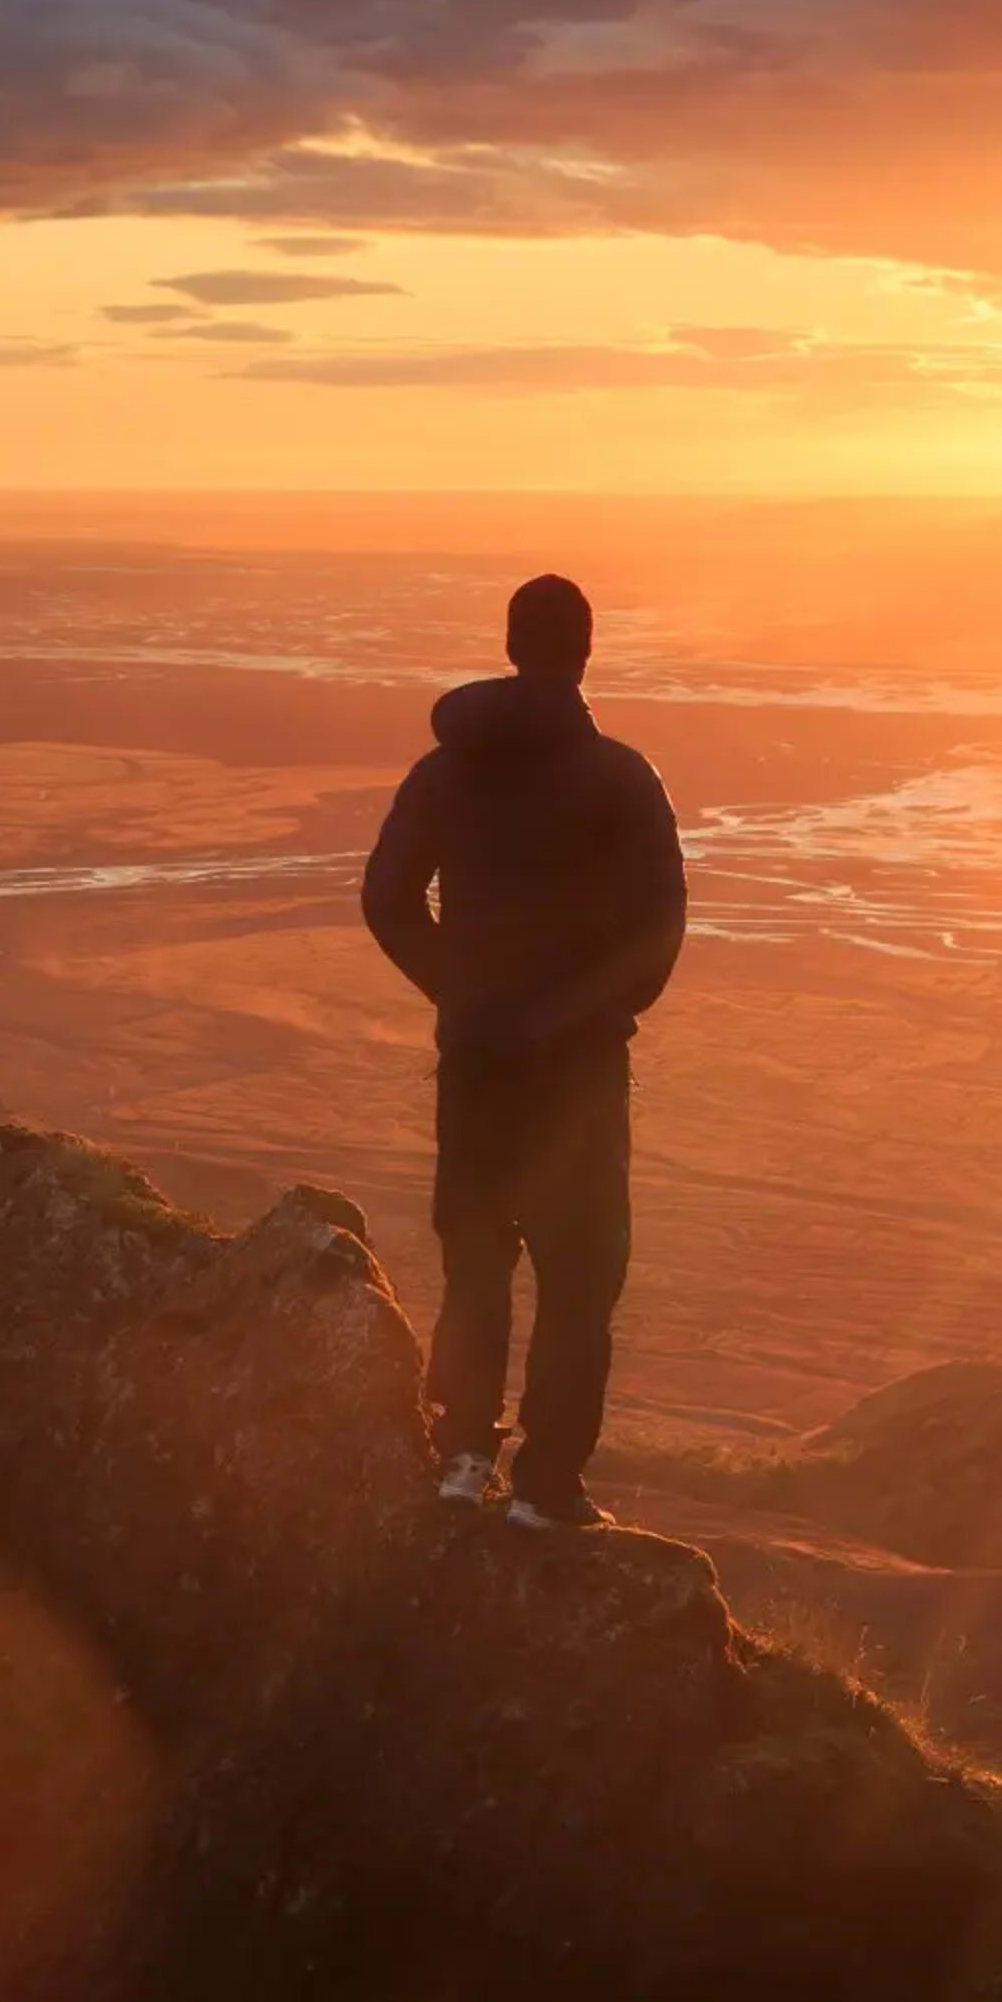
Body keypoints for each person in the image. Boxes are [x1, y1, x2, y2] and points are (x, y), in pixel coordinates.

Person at [363, 574, 687, 1530]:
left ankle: (460, 1456)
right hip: (579, 1074)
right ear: (585, 652)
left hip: (474, 1062)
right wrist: (589, 1016)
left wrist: (462, 996)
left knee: (475, 1259)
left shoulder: (444, 770)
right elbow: (659, 930)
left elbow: (386, 899)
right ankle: (547, 1491)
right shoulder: (623, 777)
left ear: (510, 647)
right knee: (582, 1278)